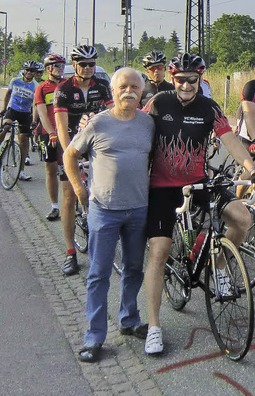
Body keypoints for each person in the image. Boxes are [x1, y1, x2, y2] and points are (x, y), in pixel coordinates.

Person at [142, 53, 255, 355]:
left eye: (192, 80)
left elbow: (230, 139)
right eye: (180, 79)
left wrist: (252, 168)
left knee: (241, 218)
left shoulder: (209, 107)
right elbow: (135, 131)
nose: (186, 85)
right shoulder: (158, 102)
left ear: (200, 80)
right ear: (173, 79)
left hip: (199, 183)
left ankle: (220, 267)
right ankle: (154, 327)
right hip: (161, 187)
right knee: (159, 252)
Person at [63, 67, 154, 363]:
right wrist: (79, 188)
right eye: (123, 86)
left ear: (141, 93)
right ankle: (94, 337)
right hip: (104, 210)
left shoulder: (148, 124)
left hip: (139, 209)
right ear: (112, 92)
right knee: (98, 274)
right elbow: (70, 155)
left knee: (134, 269)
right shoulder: (98, 123)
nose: (129, 91)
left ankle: (129, 319)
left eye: (135, 87)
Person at [54, 44, 113, 276]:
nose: (88, 68)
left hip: (96, 145)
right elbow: (61, 127)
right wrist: (70, 155)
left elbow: (112, 114)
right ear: (75, 66)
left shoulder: (103, 87)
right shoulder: (64, 90)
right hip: (71, 144)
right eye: (83, 64)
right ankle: (70, 252)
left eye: (92, 64)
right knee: (69, 194)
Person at [34, 53, 66, 221]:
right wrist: (52, 132)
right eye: (57, 66)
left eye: (62, 66)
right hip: (49, 133)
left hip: (67, 132)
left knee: (71, 168)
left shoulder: (68, 85)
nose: (60, 69)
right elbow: (42, 114)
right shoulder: (42, 88)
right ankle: (54, 206)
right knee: (51, 168)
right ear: (48, 69)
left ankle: (73, 202)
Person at [1, 60, 39, 181]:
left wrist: (34, 119)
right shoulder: (15, 81)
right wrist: (3, 108)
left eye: (31, 71)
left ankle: (21, 171)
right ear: (24, 71)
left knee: (24, 141)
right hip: (12, 109)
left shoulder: (35, 86)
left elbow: (35, 104)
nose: (29, 72)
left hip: (25, 113)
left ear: (34, 73)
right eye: (27, 70)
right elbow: (8, 94)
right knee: (6, 126)